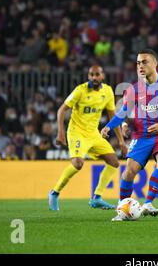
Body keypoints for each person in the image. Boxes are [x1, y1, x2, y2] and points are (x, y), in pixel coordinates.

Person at [101, 49, 158, 221]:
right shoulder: (134, 90)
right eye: (138, 63)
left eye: (145, 62)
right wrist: (108, 127)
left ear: (155, 64)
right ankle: (122, 209)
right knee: (128, 173)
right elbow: (123, 112)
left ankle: (148, 203)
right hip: (142, 136)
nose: (140, 66)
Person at [48, 65, 127, 211]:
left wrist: (121, 141)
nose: (94, 77)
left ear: (102, 76)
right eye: (91, 75)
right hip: (76, 132)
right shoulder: (80, 90)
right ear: (88, 76)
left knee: (114, 162)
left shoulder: (107, 91)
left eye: (97, 75)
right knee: (78, 164)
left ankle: (97, 197)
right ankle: (54, 193)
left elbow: (113, 117)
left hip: (93, 134)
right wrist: (60, 132)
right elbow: (61, 110)